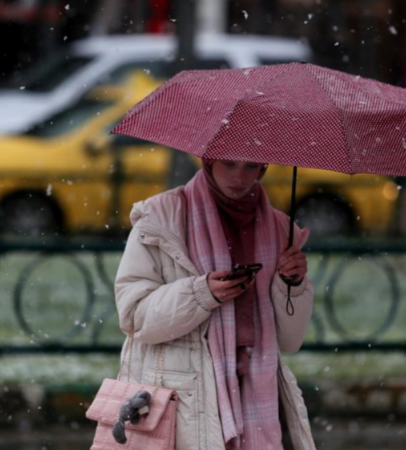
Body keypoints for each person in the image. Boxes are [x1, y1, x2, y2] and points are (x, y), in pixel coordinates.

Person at [112, 158, 315, 450]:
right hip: (183, 396)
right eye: (229, 164)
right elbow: (134, 316)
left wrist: (291, 285)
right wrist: (201, 293)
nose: (240, 176)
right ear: (208, 161)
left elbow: (290, 340)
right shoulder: (161, 217)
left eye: (251, 166)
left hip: (258, 396)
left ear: (264, 169)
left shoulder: (281, 230)